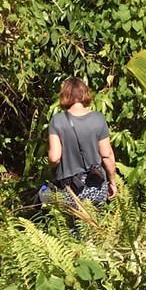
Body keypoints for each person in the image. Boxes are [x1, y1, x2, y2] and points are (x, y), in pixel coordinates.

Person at [39, 77, 118, 214]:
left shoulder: (57, 121)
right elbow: (107, 155)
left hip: (72, 189)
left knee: (73, 230)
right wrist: (112, 182)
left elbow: (54, 157)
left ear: (65, 95)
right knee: (95, 227)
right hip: (97, 185)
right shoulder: (98, 118)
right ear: (84, 94)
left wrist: (53, 169)